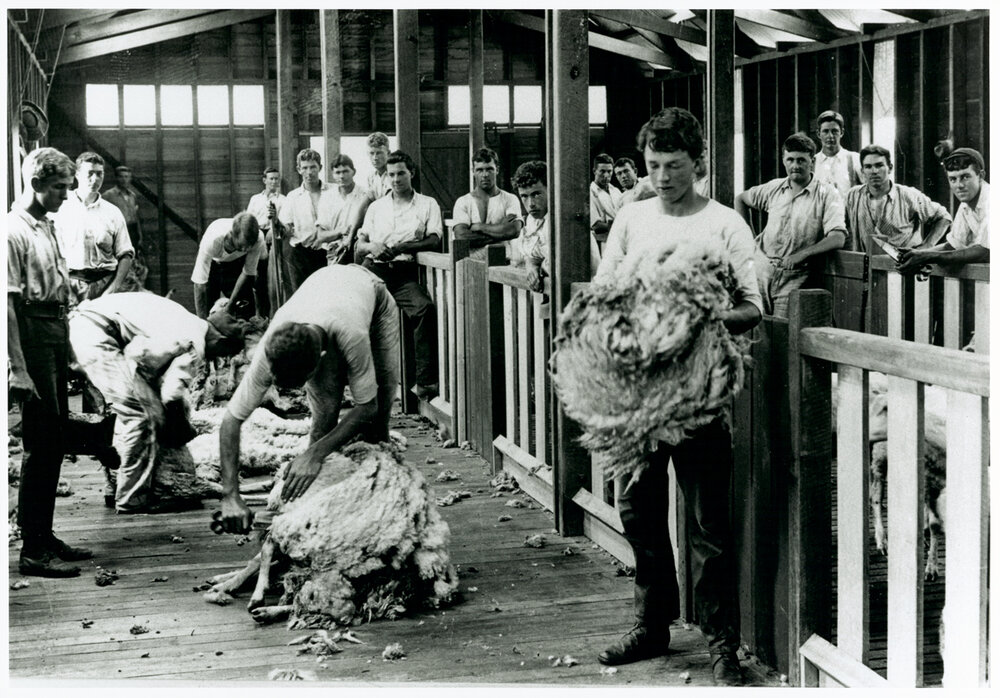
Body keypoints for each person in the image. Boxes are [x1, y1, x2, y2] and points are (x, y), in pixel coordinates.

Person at [594, 108, 762, 687]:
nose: (662, 177)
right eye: (653, 165)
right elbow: (605, 288)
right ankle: (653, 623)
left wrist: (703, 319)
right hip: (639, 391)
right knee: (638, 511)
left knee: (709, 520)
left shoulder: (725, 225)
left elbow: (753, 305)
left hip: (701, 392)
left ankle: (722, 644)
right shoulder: (630, 218)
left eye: (674, 166)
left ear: (699, 164)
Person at [214, 265, 399, 534]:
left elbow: (366, 407)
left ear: (317, 364)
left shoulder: (352, 335)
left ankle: (378, 501)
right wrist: (230, 495)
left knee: (380, 407)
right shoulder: (271, 347)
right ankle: (311, 501)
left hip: (371, 294)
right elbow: (231, 420)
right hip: (324, 297)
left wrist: (313, 454)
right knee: (323, 416)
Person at [69, 293, 247, 513]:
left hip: (88, 326)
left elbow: (145, 364)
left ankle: (117, 483)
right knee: (141, 415)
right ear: (220, 341)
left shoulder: (184, 318)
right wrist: (178, 426)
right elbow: (171, 395)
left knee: (135, 409)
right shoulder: (193, 343)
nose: (218, 359)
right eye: (224, 354)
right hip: (97, 337)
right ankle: (132, 499)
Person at [8, 147, 94, 577]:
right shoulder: (13, 231)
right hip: (32, 334)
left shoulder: (47, 225)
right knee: (41, 442)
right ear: (36, 183)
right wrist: (18, 368)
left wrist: (73, 353)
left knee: (56, 438)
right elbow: (6, 305)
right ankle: (31, 551)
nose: (67, 193)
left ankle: (44, 535)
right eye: (60, 186)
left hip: (55, 332)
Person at [355, 150, 441, 401]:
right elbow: (360, 245)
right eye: (391, 174)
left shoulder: (428, 204)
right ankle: (363, 386)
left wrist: (403, 247)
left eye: (401, 173)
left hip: (404, 272)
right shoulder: (376, 207)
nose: (395, 179)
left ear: (411, 173)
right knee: (361, 320)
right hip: (375, 271)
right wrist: (373, 247)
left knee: (424, 310)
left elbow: (435, 240)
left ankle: (425, 382)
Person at [736, 132, 847, 318]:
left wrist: (802, 254)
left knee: (784, 332)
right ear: (783, 160)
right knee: (756, 328)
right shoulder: (774, 187)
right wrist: (748, 240)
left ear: (812, 161)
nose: (795, 166)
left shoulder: (827, 194)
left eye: (802, 160)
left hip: (795, 276)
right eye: (790, 159)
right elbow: (741, 199)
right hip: (761, 270)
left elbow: (838, 237)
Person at [53, 152, 135, 305]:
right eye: (90, 173)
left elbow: (126, 254)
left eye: (99, 174)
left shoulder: (113, 212)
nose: (95, 179)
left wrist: (113, 289)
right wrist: (62, 286)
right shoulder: (60, 208)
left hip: (105, 284)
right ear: (77, 174)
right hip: (69, 286)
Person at [844, 144, 951, 253]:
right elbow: (842, 227)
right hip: (867, 266)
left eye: (879, 165)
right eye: (868, 167)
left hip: (905, 267)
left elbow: (944, 217)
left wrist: (927, 246)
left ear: (890, 168)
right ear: (862, 171)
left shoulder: (908, 195)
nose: (874, 171)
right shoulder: (853, 195)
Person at [897, 146, 990, 273]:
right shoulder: (965, 206)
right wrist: (918, 252)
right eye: (953, 179)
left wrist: (926, 257)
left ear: (981, 176)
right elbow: (953, 245)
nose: (959, 185)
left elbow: (985, 252)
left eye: (965, 177)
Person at [274, 148, 340, 295]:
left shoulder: (334, 191)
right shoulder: (292, 196)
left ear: (320, 168)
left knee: (328, 295)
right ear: (299, 169)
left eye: (313, 167)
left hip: (330, 252)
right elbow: (286, 229)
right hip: (301, 254)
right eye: (305, 168)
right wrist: (276, 222)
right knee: (303, 296)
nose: (309, 172)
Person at [451, 147, 524, 261]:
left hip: (503, 261)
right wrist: (500, 230)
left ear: (497, 170)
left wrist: (479, 227)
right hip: (472, 262)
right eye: (480, 170)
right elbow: (461, 237)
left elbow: (513, 231)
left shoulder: (510, 199)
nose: (485, 175)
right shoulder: (463, 202)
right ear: (473, 171)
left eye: (489, 169)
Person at [191, 213, 265, 319]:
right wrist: (202, 323)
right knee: (208, 308)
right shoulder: (212, 239)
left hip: (237, 264)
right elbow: (199, 284)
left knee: (245, 311)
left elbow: (247, 273)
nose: (245, 250)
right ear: (232, 234)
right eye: (241, 246)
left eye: (249, 246)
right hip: (213, 264)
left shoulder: (259, 238)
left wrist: (229, 307)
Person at [246, 167, 286, 317]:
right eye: (271, 178)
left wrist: (273, 229)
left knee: (273, 277)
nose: (274, 181)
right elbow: (249, 220)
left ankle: (274, 314)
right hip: (257, 237)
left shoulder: (283, 200)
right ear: (265, 180)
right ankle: (259, 315)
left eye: (277, 178)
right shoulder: (255, 199)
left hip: (274, 237)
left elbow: (284, 221)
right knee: (258, 278)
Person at [325, 154, 374, 265]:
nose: (342, 176)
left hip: (358, 247)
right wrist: (340, 231)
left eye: (345, 171)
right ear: (333, 174)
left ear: (354, 172)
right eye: (337, 172)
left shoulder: (365, 194)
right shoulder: (327, 197)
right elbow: (321, 234)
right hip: (336, 249)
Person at [814, 110, 863, 198]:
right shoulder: (812, 162)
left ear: (842, 132)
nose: (830, 136)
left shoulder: (854, 159)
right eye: (825, 131)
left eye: (834, 131)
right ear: (818, 134)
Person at [102, 164, 142, 250]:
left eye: (127, 177)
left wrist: (139, 236)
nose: (124, 180)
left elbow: (136, 217)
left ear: (130, 179)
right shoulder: (108, 196)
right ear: (116, 178)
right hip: (118, 232)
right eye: (121, 177)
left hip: (132, 232)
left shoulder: (132, 196)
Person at [590, 152, 622, 241]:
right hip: (603, 243)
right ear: (594, 171)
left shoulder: (616, 191)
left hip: (621, 239)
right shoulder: (590, 193)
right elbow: (596, 226)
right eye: (602, 171)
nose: (606, 175)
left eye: (609, 171)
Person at [364, 131, 392, 199]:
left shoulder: (393, 174)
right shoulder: (371, 177)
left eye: (379, 153)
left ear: (388, 153)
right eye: (371, 153)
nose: (375, 158)